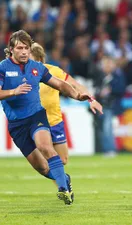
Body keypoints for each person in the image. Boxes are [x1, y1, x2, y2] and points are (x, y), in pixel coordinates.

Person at [0, 30, 91, 205]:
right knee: (42, 168)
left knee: (45, 146)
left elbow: (60, 84)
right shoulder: (3, 67)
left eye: (26, 48)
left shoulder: (37, 67)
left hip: (36, 116)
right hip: (16, 124)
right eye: (20, 48)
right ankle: (65, 179)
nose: (24, 51)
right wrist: (13, 92)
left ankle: (63, 189)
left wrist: (77, 96)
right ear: (11, 49)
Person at [30, 42, 103, 166]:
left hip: (54, 121)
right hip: (36, 123)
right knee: (47, 161)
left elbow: (76, 85)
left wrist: (92, 100)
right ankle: (62, 185)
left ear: (39, 59)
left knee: (62, 160)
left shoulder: (53, 71)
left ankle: (62, 181)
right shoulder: (23, 74)